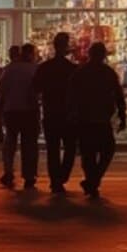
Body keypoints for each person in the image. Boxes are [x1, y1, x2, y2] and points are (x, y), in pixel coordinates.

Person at [70, 41, 127, 198]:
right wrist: (122, 114)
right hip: (101, 118)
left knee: (88, 153)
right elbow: (118, 95)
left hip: (86, 118)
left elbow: (72, 95)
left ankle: (92, 179)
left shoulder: (81, 72)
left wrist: (74, 114)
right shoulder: (108, 73)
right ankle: (93, 179)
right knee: (106, 150)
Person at [35, 32, 79, 194]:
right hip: (67, 114)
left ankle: (55, 179)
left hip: (51, 112)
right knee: (70, 147)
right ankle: (61, 176)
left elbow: (36, 88)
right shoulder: (73, 69)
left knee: (53, 149)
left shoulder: (45, 68)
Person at [0, 42, 41, 190]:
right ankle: (29, 176)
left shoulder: (10, 69)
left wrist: (0, 111)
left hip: (12, 110)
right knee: (29, 145)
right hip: (29, 111)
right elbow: (39, 92)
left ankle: (8, 171)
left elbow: (1, 90)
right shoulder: (35, 69)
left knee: (10, 143)